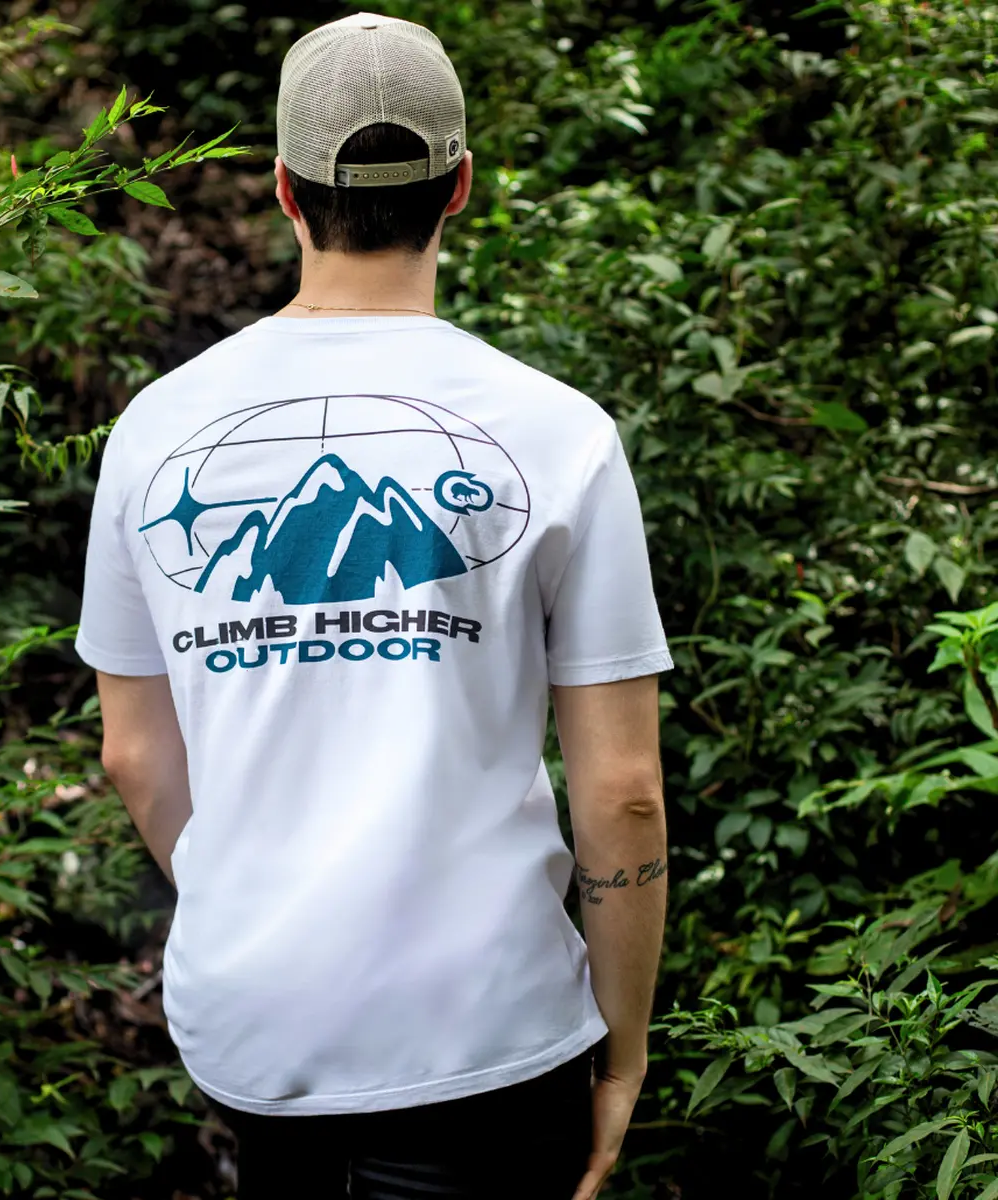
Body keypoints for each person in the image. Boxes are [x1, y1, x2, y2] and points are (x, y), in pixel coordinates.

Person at [76, 12, 672, 1199]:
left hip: (255, 1026)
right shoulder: (561, 433)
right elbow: (623, 791)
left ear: (284, 191)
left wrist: (267, 913)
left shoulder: (155, 427)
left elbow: (135, 757)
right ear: (461, 187)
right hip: (489, 1028)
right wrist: (624, 1046)